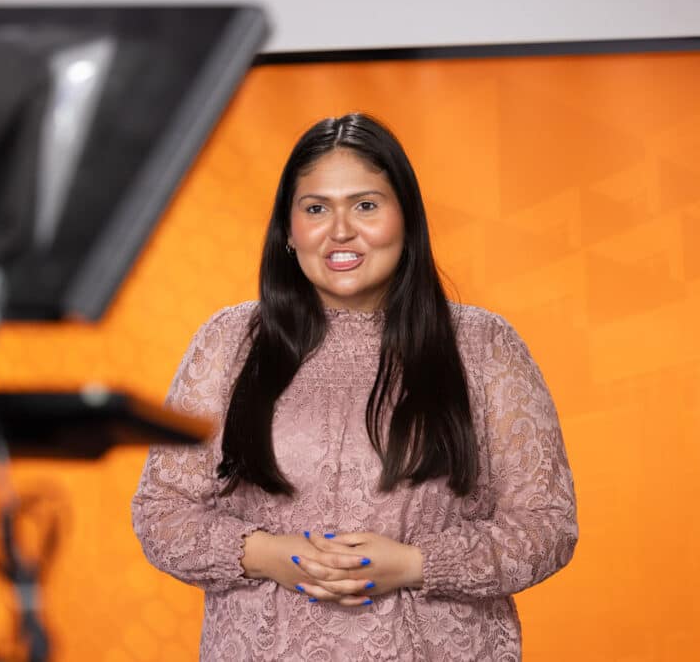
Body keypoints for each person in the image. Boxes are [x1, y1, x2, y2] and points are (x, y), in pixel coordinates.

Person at [131, 113, 577, 661]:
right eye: (316, 208)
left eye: (366, 205)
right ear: (289, 233)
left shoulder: (483, 346)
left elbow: (547, 527)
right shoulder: (229, 343)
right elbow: (161, 512)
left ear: (407, 220)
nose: (340, 231)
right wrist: (268, 555)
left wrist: (415, 565)